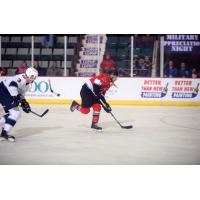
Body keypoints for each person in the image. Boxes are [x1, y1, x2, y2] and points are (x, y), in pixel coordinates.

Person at [0, 67, 38, 142]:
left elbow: (20, 94)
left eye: (34, 77)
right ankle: (4, 133)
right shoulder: (20, 78)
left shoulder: (28, 85)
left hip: (6, 92)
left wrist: (25, 103)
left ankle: (4, 133)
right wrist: (16, 98)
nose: (33, 79)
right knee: (15, 113)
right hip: (3, 90)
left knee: (16, 114)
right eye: (32, 76)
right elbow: (12, 86)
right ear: (27, 75)